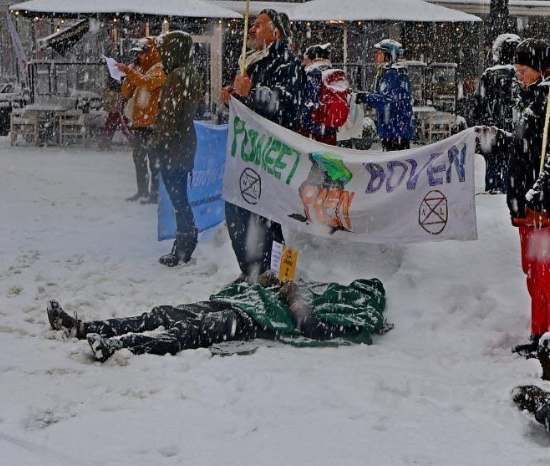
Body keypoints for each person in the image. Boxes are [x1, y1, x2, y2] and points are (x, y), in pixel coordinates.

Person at [475, 38, 550, 361]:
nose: (518, 76)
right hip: (530, 206)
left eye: (523, 70)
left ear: (540, 69)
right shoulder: (534, 97)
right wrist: (501, 141)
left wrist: (541, 187)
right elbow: (531, 147)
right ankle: (541, 334)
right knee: (535, 272)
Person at [45, 274, 388, 362]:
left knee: (186, 331)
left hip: (254, 321)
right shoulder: (331, 291)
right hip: (244, 302)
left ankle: (118, 346)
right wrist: (265, 283)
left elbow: (309, 327)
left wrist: (293, 297)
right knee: (163, 313)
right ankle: (83, 327)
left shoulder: (354, 314)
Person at [220, 9, 302, 281]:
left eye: (259, 25)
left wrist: (252, 93)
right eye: (252, 24)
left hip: (274, 155)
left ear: (275, 32)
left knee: (271, 218)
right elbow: (251, 104)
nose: (252, 29)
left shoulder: (287, 62)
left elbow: (288, 105)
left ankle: (278, 275)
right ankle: (253, 271)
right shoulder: (252, 62)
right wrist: (232, 96)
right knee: (239, 209)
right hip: (251, 154)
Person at [153, 31, 204, 267]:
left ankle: (184, 243)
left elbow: (169, 116)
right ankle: (186, 239)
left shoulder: (176, 76)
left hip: (173, 145)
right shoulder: (192, 74)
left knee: (178, 198)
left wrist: (159, 143)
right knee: (180, 195)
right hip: (185, 141)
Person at [118, 37, 166, 203]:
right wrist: (129, 74)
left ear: (151, 52)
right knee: (138, 158)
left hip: (153, 123)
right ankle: (142, 190)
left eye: (143, 53)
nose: (140, 57)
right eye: (138, 54)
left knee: (154, 160)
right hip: (140, 123)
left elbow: (147, 84)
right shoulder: (139, 71)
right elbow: (125, 92)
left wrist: (130, 72)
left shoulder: (159, 70)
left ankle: (155, 193)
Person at [477, 33, 520, 193]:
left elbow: (479, 104)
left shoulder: (488, 75)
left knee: (492, 163)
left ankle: (492, 188)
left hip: (490, 129)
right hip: (513, 128)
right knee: (510, 163)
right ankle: (507, 188)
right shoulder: (519, 74)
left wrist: (482, 123)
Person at [362, 39, 413, 151]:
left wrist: (366, 98)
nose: (376, 56)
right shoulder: (391, 73)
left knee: (394, 159)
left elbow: (388, 100)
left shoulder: (393, 74)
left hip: (394, 130)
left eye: (379, 53)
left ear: (388, 56)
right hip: (394, 129)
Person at [98, 76, 133, 150]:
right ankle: (133, 141)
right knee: (122, 125)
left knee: (111, 125)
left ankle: (105, 142)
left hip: (116, 107)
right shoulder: (120, 80)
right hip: (118, 107)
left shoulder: (113, 80)